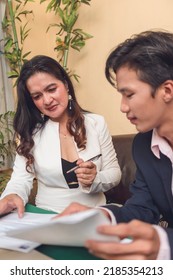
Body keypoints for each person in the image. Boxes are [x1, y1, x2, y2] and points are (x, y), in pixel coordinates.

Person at [57, 30, 173, 260]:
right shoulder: (144, 145)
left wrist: (164, 244)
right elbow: (141, 209)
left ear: (167, 91)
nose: (122, 107)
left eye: (128, 95)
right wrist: (100, 216)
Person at [0, 55, 121, 216]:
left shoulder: (96, 123)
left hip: (93, 215)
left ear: (65, 85)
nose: (47, 100)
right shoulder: (30, 134)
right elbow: (20, 179)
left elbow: (114, 173)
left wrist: (95, 177)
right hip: (48, 216)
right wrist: (11, 196)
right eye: (37, 96)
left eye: (51, 89)